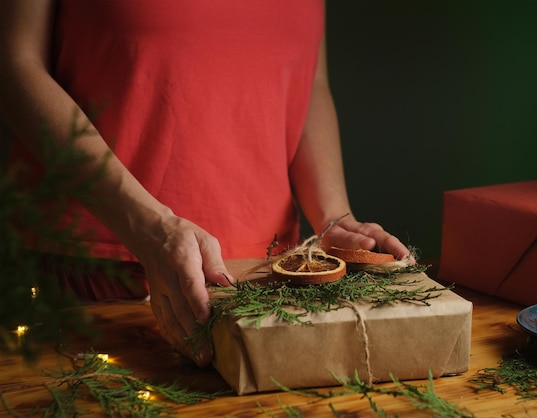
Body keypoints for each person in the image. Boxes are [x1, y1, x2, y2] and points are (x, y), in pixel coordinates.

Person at [0, 0, 413, 366]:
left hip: (266, 281)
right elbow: (14, 67)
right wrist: (148, 228)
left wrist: (333, 219)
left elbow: (308, 82)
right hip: (91, 274)